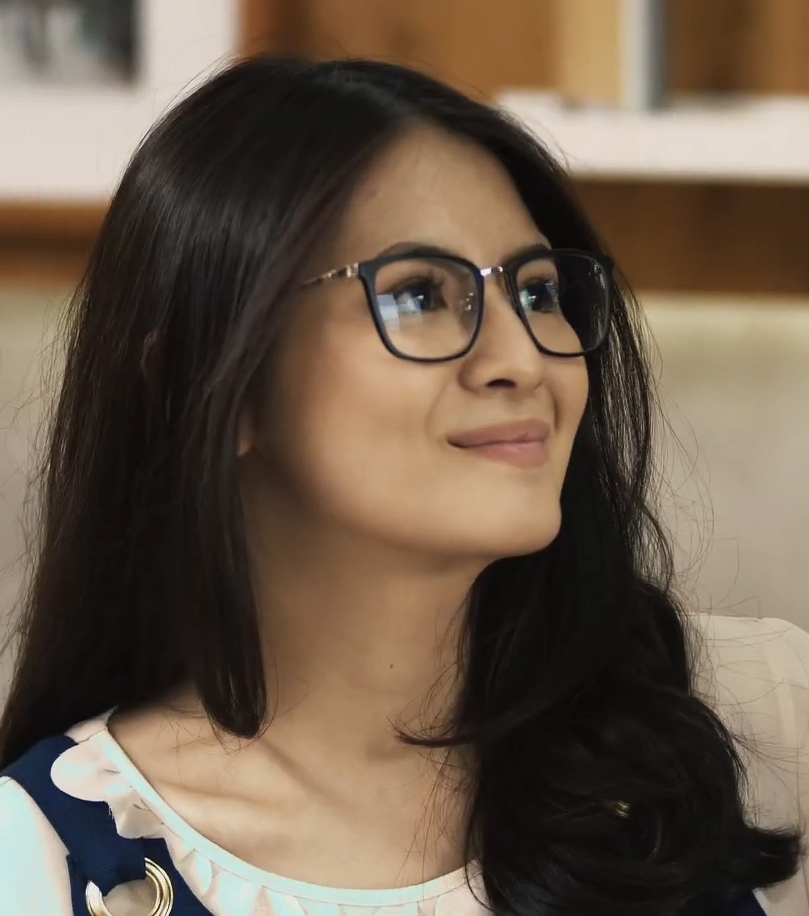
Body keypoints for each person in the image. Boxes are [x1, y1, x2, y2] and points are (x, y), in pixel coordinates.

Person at [0, 55, 806, 916]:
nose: (523, 358)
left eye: (537, 291)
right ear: (202, 384)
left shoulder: (760, 715)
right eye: (418, 294)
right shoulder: (42, 856)